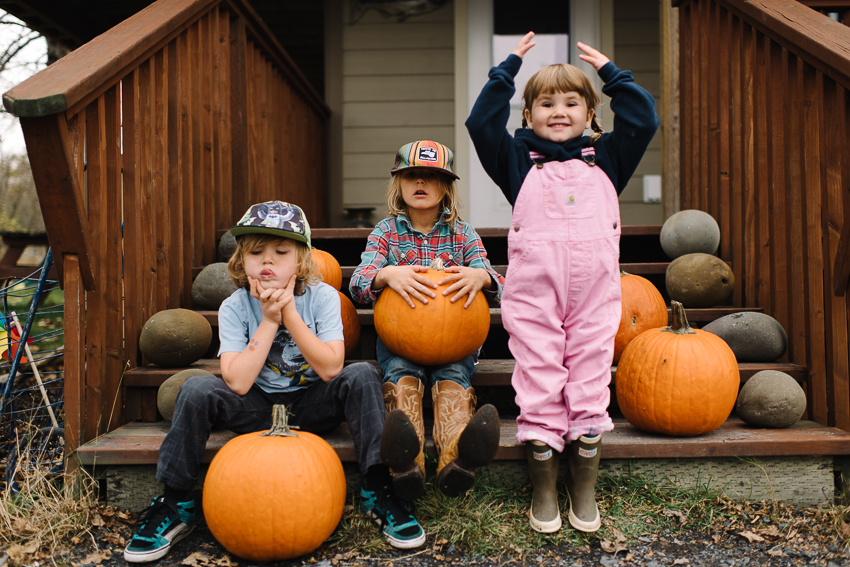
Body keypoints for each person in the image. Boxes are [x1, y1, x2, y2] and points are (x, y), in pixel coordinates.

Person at [124, 201, 425, 563]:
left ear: (299, 261)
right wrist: (268, 321)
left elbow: (331, 368)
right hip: (254, 405)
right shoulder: (235, 306)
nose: (267, 261)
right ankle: (175, 502)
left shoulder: (325, 298)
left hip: (312, 403)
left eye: (280, 252)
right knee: (195, 388)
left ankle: (379, 490)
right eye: (256, 253)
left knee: (361, 374)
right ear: (241, 261)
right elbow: (236, 381)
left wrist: (290, 315)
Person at [465, 33, 659, 534]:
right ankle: (545, 484)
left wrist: (613, 75)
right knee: (540, 371)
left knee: (591, 370)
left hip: (595, 289)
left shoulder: (608, 159)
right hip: (534, 291)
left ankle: (584, 484)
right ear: (527, 115)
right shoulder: (516, 161)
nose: (559, 110)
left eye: (572, 102)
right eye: (546, 102)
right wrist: (506, 70)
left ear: (591, 113)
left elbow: (644, 119)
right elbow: (480, 122)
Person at [350, 140, 505, 501]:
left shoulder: (462, 234)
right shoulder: (386, 233)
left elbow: (496, 281)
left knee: (453, 378)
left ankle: (455, 460)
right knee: (401, 377)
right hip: (400, 340)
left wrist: (481, 278)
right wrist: (386, 274)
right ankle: (408, 463)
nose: (420, 183)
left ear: (446, 188)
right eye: (411, 176)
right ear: (399, 185)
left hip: (457, 342)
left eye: (431, 177)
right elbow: (358, 283)